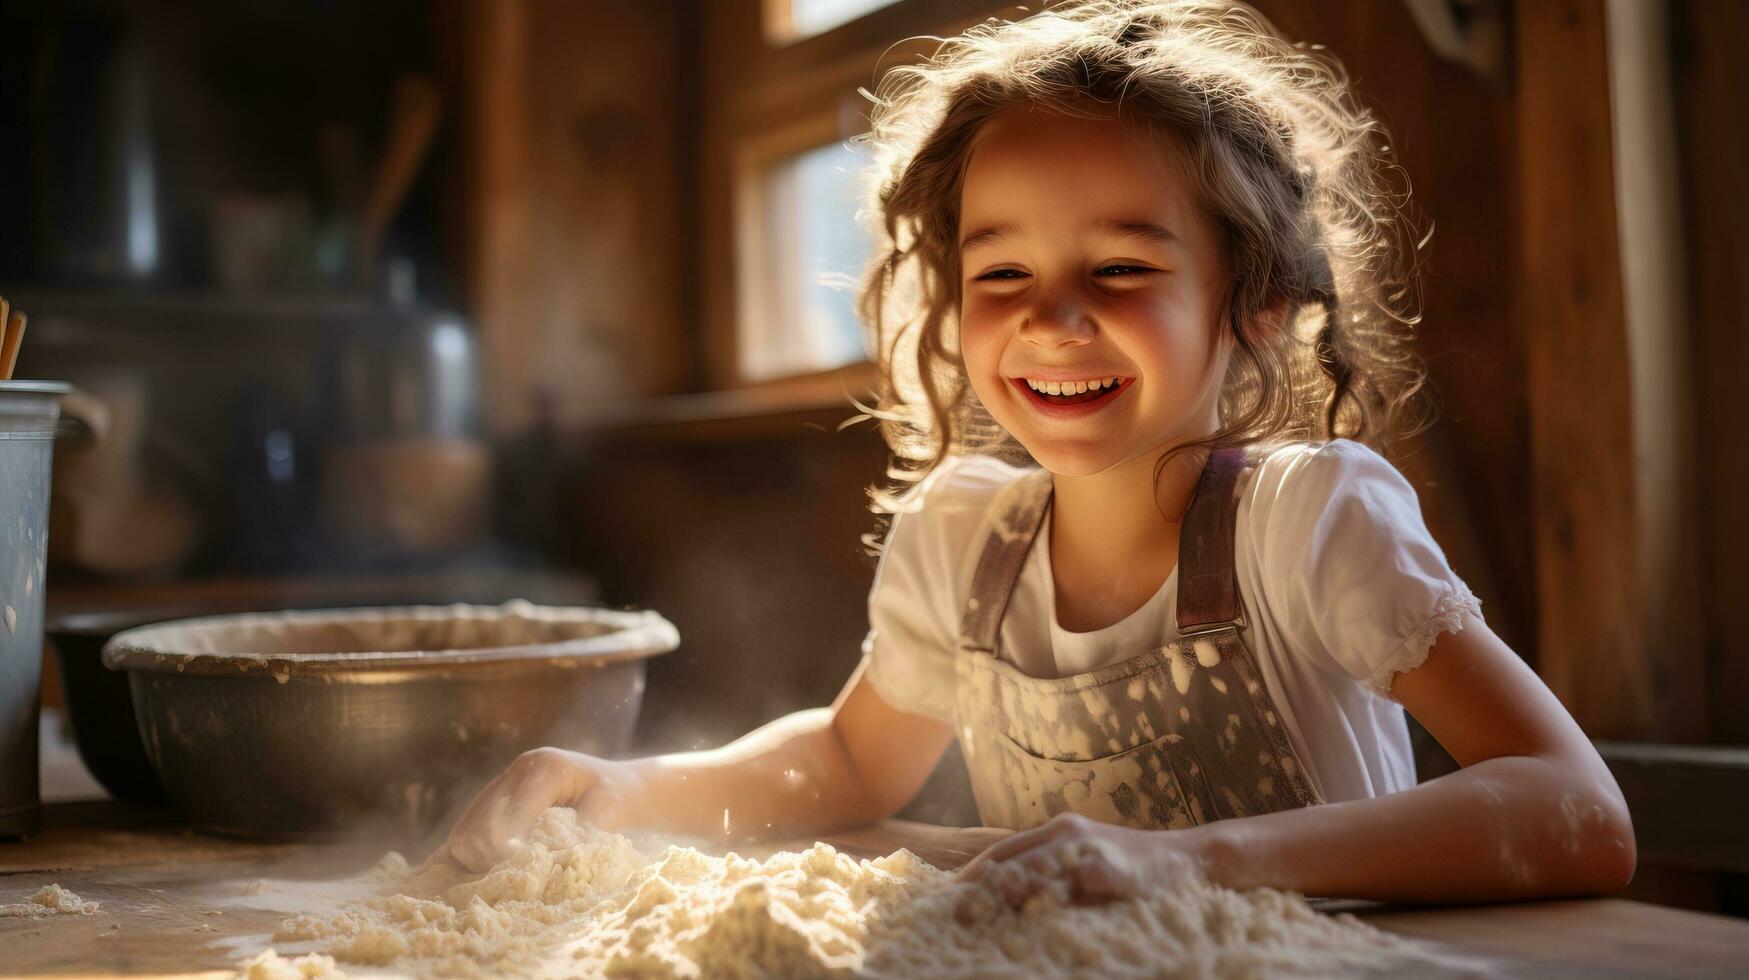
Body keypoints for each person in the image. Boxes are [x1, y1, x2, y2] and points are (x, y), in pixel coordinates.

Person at [440, 0, 1635, 906]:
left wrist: (1191, 861)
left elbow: (1579, 809)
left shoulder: (1306, 523)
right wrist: (624, 789)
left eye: (1120, 268)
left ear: (1258, 299)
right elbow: (850, 759)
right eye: (1001, 272)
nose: (1054, 318)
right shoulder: (963, 544)